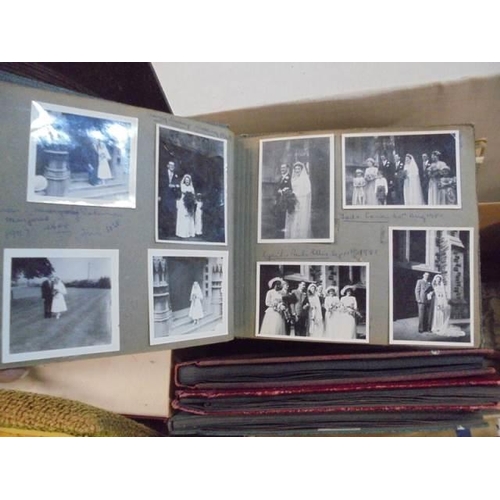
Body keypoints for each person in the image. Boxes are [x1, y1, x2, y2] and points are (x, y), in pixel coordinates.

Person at [285, 162, 312, 239]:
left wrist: (297, 194)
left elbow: (308, 190)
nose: (297, 170)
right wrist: (290, 194)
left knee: (300, 216)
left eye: (298, 169)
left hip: (302, 200)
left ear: (301, 170)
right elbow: (292, 188)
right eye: (296, 169)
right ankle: (293, 234)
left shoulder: (305, 179)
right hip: (293, 200)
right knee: (293, 216)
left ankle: (300, 235)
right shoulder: (293, 179)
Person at [159, 160, 181, 238]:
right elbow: (159, 185)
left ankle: (170, 232)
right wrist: (159, 195)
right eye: (170, 165)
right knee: (164, 213)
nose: (172, 167)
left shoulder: (176, 175)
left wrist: (175, 186)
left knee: (171, 214)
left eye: (173, 166)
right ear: (168, 166)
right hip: (164, 196)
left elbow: (178, 185)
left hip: (172, 197)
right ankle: (163, 232)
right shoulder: (163, 174)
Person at [274, 163, 292, 237]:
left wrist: (284, 191)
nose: (282, 169)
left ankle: (284, 231)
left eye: (284, 168)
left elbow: (291, 188)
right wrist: (278, 191)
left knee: (284, 215)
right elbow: (276, 187)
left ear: (287, 168)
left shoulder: (290, 178)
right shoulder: (280, 177)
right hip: (279, 199)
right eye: (281, 168)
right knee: (279, 214)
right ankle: (279, 231)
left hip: (285, 200)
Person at [176, 174, 196, 238]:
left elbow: (193, 194)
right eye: (186, 180)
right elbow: (183, 191)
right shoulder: (182, 186)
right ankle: (182, 232)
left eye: (188, 180)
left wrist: (192, 200)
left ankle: (189, 232)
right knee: (183, 216)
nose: (187, 181)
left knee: (189, 217)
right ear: (184, 180)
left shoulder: (191, 188)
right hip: (183, 202)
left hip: (190, 203)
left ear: (190, 181)